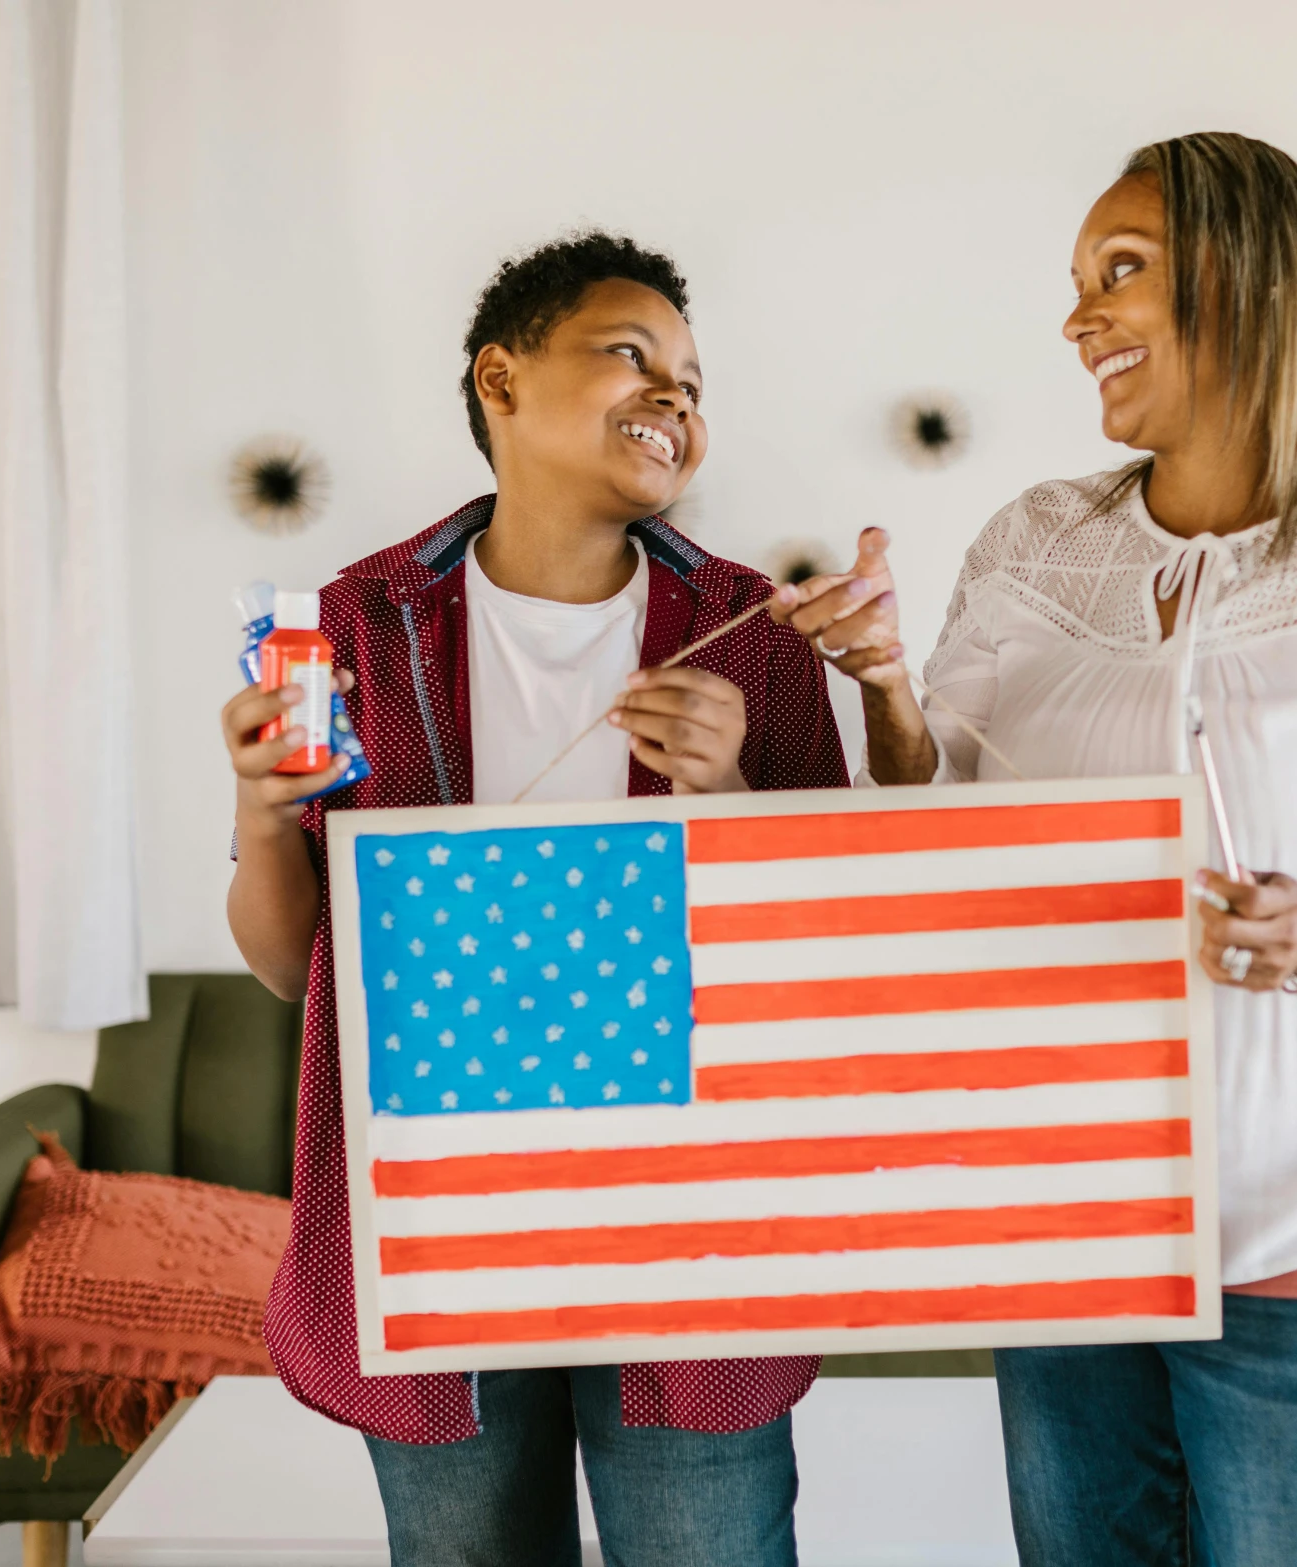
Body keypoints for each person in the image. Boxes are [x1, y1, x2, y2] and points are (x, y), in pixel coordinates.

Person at [773, 133, 1297, 1565]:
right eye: (1077, 282)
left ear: (1250, 284)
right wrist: (885, 691)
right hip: (1072, 1230)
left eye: (1122, 273)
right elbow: (941, 841)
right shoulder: (1035, 547)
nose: (1078, 318)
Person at [223, 232, 844, 1567]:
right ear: (498, 381)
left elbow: (823, 966)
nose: (673, 395)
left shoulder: (754, 637)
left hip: (693, 1231)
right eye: (630, 354)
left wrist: (729, 793)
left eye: (691, 378)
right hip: (431, 1215)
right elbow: (289, 968)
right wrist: (260, 812)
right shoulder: (351, 626)